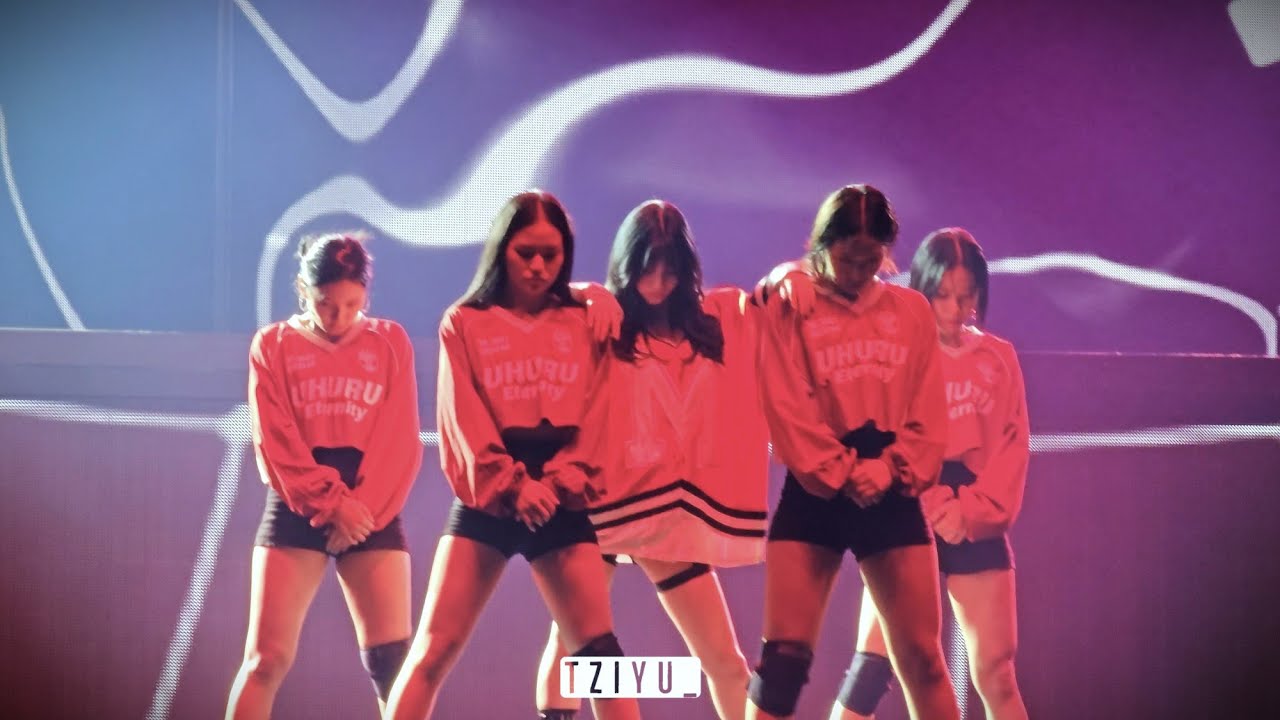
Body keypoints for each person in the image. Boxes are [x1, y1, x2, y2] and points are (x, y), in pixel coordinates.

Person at [384, 190, 641, 720]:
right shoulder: (465, 322)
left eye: (552, 254)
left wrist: (560, 481)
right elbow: (463, 419)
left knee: (600, 655)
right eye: (526, 252)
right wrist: (513, 486)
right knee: (432, 651)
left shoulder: (586, 318)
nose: (539, 266)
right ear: (501, 249)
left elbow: (602, 412)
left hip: (562, 497)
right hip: (491, 497)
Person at [534, 200, 769, 720]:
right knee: (572, 652)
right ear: (626, 264)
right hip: (601, 506)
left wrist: (792, 274)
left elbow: (772, 299)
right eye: (647, 270)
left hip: (667, 509)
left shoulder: (713, 322)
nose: (658, 284)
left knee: (726, 661)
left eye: (670, 271)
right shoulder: (602, 317)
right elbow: (544, 307)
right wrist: (587, 292)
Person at [747, 184, 959, 720]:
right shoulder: (793, 303)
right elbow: (785, 405)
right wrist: (841, 470)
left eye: (871, 260)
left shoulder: (910, 311)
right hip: (816, 490)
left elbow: (929, 411)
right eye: (847, 259)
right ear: (822, 245)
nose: (858, 272)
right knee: (782, 664)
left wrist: (889, 468)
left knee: (924, 660)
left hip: (890, 489)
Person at [830, 228, 1030, 720]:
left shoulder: (998, 357)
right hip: (908, 507)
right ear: (922, 290)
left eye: (966, 295)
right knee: (872, 665)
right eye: (942, 295)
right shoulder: (897, 352)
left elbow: (1012, 450)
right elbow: (878, 436)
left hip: (975, 511)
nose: (955, 308)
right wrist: (926, 499)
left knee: (997, 673)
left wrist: (970, 512)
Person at [226, 232, 422, 719]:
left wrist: (361, 510)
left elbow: (400, 438)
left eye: (352, 305)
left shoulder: (390, 341)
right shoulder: (273, 344)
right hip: (299, 505)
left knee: (393, 664)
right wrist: (331, 503)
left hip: (371, 507)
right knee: (265, 659)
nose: (339, 318)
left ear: (366, 295)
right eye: (325, 304)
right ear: (302, 289)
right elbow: (275, 440)